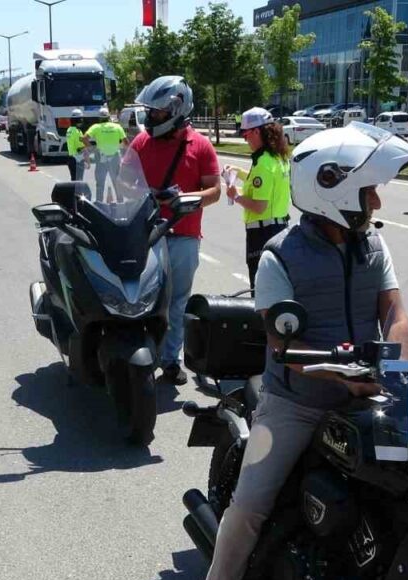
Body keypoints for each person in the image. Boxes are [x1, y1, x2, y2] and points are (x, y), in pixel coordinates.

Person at [196, 124, 408, 580]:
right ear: (333, 190)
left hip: (367, 395)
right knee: (249, 505)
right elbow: (283, 343)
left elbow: (395, 312)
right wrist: (344, 374)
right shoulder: (280, 256)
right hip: (295, 403)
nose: (377, 201)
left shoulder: (374, 244)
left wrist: (396, 366)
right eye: (368, 191)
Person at [128, 76, 221, 385]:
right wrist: (147, 193)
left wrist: (187, 199)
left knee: (177, 301)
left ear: (177, 110)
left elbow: (215, 191)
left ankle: (170, 360)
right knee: (139, 297)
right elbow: (122, 180)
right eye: (150, 112)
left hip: (183, 237)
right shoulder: (141, 142)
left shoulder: (201, 145)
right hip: (144, 234)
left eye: (158, 112)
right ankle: (139, 353)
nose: (151, 117)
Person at [223, 107, 291, 288]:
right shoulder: (277, 157)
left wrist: (235, 196)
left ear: (256, 131)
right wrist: (239, 172)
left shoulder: (263, 163)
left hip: (262, 233)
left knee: (260, 288)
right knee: (276, 285)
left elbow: (259, 206)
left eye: (246, 135)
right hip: (279, 228)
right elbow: (261, 182)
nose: (245, 140)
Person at [85, 115, 126, 203]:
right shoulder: (117, 127)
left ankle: (99, 204)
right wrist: (122, 150)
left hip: (101, 157)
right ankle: (121, 204)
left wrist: (91, 148)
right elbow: (126, 142)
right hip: (114, 157)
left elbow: (84, 138)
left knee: (100, 183)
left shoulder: (96, 127)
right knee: (117, 183)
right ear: (108, 117)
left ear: (99, 118)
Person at [65, 109, 86, 182]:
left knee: (73, 180)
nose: (82, 121)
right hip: (78, 159)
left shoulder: (69, 130)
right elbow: (80, 147)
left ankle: (73, 193)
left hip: (71, 158)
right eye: (81, 119)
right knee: (79, 181)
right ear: (78, 120)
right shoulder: (77, 131)